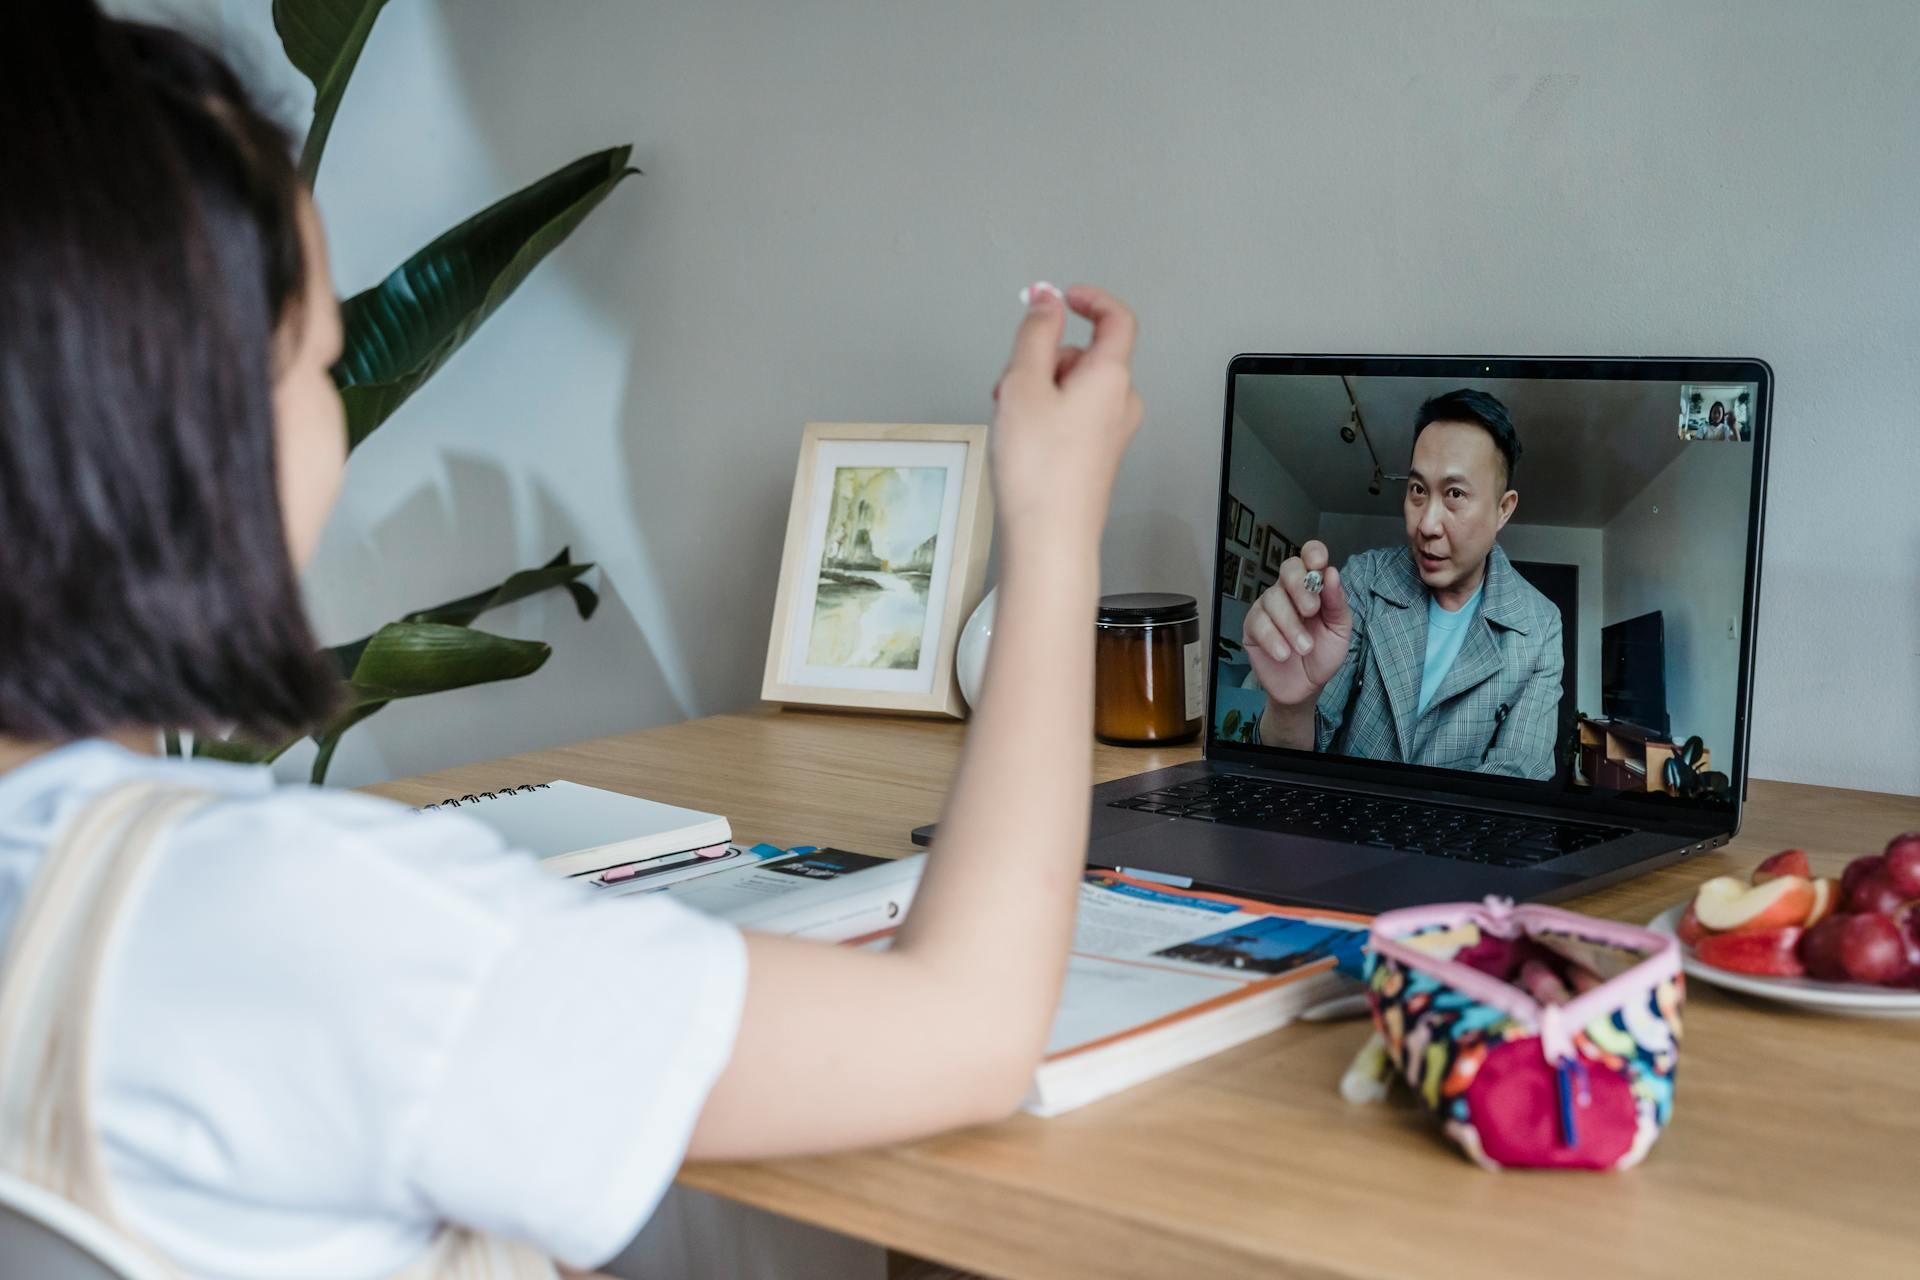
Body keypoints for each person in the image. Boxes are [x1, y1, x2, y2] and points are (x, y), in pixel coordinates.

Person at [0, 8, 1141, 1278]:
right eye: (318, 368)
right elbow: (967, 1030)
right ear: (171, 433)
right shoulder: (291, 920)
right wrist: (1052, 534)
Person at [1245, 389, 1563, 780]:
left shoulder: (1541, 626)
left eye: (1455, 494)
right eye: (1417, 490)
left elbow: (1518, 776)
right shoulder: (1364, 580)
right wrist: (1290, 706)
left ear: (1503, 509)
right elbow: (1299, 761)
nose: (1426, 525)